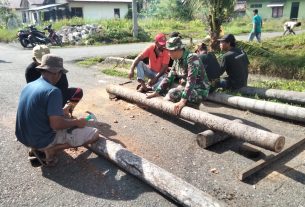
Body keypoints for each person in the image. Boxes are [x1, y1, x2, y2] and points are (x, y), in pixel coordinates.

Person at [16, 54, 100, 167]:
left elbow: (37, 112)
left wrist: (61, 111)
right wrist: (77, 122)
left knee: (64, 118)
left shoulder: (29, 86)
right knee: (94, 133)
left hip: (22, 136)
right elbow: (56, 125)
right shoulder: (53, 91)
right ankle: (52, 149)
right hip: (40, 140)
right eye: (61, 73)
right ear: (56, 73)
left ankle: (35, 147)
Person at [147, 37, 210, 115]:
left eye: (170, 51)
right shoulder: (176, 60)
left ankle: (192, 105)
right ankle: (189, 105)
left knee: (172, 93)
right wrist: (157, 92)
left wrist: (183, 101)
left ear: (177, 50)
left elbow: (191, 80)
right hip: (187, 88)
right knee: (166, 91)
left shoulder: (192, 57)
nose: (168, 53)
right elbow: (169, 77)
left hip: (200, 90)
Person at [25, 45, 83, 116]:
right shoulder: (30, 70)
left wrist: (61, 106)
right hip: (43, 99)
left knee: (78, 91)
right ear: (34, 59)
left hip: (57, 95)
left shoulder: (56, 67)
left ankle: (67, 112)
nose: (42, 64)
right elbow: (33, 92)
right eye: (40, 61)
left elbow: (63, 87)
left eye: (45, 61)